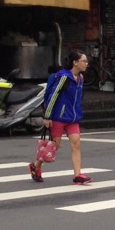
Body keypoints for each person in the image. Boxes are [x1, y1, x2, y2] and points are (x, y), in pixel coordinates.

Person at [31, 50, 90, 184]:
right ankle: (36, 165)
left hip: (73, 118)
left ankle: (77, 175)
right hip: (58, 117)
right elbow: (52, 97)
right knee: (54, 147)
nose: (86, 64)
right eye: (84, 61)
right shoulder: (64, 77)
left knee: (76, 144)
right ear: (75, 63)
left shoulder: (80, 78)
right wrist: (47, 116)